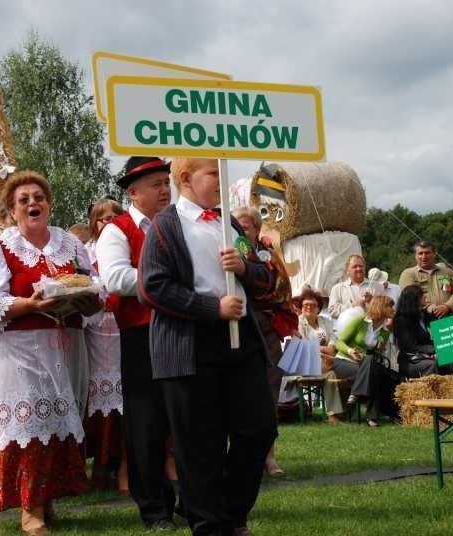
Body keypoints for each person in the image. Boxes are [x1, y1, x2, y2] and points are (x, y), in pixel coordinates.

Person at [139, 157, 277, 536]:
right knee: (200, 444)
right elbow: (152, 286)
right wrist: (210, 307)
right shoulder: (165, 225)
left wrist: (246, 270)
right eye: (214, 173)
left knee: (258, 429)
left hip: (240, 341)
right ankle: (210, 524)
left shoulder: (229, 222)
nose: (223, 180)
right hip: (189, 345)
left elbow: (265, 275)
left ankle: (230, 512)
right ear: (185, 178)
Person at [0, 170, 100, 535]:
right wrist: (26, 304)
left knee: (60, 425)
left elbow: (89, 284)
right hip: (20, 350)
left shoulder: (70, 245)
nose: (33, 203)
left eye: (38, 197)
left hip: (65, 346)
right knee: (30, 425)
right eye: (23, 199)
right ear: (12, 212)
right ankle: (30, 508)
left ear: (49, 204)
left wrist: (89, 299)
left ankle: (48, 498)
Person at [95, 156, 178, 530]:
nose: (165, 190)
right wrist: (168, 284)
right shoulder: (117, 229)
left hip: (182, 330)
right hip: (141, 334)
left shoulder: (178, 223)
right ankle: (155, 507)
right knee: (146, 425)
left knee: (186, 418)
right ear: (133, 192)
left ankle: (192, 499)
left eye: (167, 182)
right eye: (157, 184)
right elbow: (115, 279)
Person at [231, 206, 292, 477]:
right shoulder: (228, 251)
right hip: (235, 326)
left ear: (256, 230)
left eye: (245, 227)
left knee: (268, 393)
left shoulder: (268, 256)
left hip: (265, 329)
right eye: (237, 227)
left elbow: (280, 290)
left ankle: (269, 456)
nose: (241, 232)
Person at [83, 198, 126, 492]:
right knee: (97, 397)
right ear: (93, 224)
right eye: (102, 218)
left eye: (113, 216)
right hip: (95, 333)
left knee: (123, 395)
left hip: (124, 331)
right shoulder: (84, 254)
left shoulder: (127, 248)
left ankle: (122, 463)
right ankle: (99, 463)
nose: (108, 222)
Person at [333, 295, 398, 427]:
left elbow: (377, 353)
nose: (393, 309)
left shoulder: (385, 331)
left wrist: (380, 350)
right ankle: (372, 418)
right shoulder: (360, 321)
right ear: (380, 307)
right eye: (389, 306)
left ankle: (356, 393)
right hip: (344, 361)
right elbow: (338, 342)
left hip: (365, 364)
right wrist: (350, 351)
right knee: (373, 371)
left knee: (376, 369)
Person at [296, 288, 345, 423]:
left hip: (326, 364)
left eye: (313, 305)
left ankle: (333, 415)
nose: (309, 307)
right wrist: (325, 349)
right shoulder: (298, 322)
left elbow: (335, 338)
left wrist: (331, 347)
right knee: (338, 367)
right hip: (306, 362)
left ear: (319, 308)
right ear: (301, 307)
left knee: (331, 375)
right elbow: (303, 345)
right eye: (306, 305)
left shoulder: (325, 321)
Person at [398, 240, 453, 326]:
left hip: (450, 318)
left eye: (427, 253)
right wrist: (432, 309)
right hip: (422, 322)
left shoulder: (447, 272)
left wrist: (448, 306)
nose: (424, 256)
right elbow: (409, 298)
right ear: (415, 256)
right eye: (420, 253)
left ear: (434, 254)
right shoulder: (408, 274)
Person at [393, 284, 446, 378]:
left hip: (431, 355)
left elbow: (438, 335)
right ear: (413, 300)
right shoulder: (401, 321)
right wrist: (434, 350)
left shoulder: (427, 316)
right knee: (432, 365)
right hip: (411, 361)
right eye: (421, 296)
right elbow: (410, 347)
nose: (425, 297)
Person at [328, 255, 371, 319]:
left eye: (361, 266)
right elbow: (332, 311)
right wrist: (352, 306)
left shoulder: (375, 286)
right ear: (347, 271)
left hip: (371, 327)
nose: (358, 268)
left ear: (365, 268)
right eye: (355, 266)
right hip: (347, 328)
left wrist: (372, 301)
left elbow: (382, 308)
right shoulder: (337, 288)